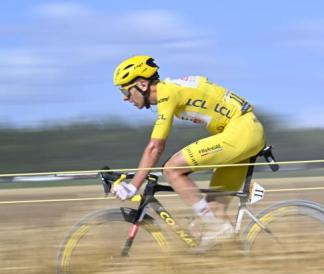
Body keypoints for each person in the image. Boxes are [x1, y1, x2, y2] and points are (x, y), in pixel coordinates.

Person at [111, 55, 265, 243]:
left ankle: (216, 227)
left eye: (126, 91)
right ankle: (231, 254)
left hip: (242, 131)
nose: (125, 98)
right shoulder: (172, 89)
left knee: (171, 169)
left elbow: (155, 147)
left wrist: (133, 186)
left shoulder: (167, 93)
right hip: (246, 131)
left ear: (142, 85)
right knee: (215, 208)